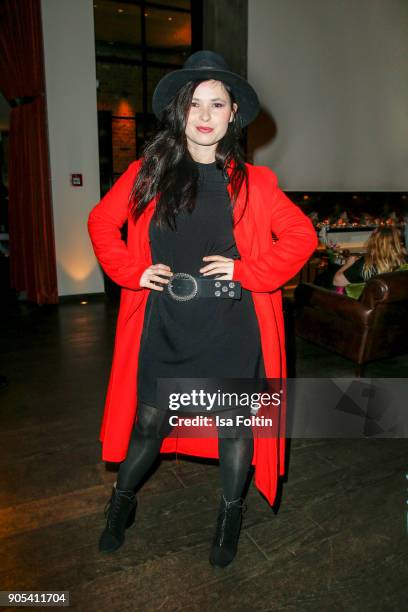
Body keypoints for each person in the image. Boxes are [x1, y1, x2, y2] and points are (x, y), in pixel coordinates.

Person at [88, 50, 317, 568]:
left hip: (232, 325)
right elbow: (103, 223)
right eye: (195, 104)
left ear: (233, 113)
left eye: (218, 103)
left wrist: (246, 272)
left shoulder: (255, 183)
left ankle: (230, 515)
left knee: (235, 427)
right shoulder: (148, 173)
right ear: (179, 111)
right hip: (167, 323)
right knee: (149, 423)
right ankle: (120, 502)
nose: (206, 115)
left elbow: (301, 236)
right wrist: (130, 270)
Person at [333, 226, 407, 289]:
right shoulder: (404, 260)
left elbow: (337, 281)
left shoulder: (366, 264)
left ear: (373, 242)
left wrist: (348, 264)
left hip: (371, 305)